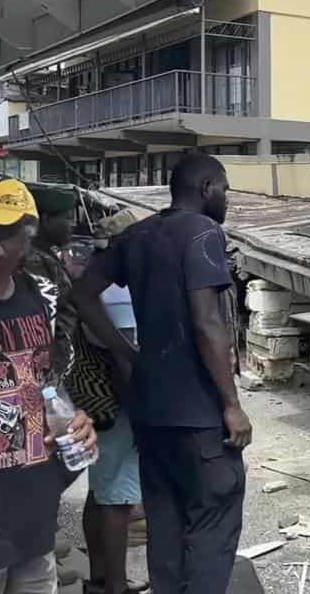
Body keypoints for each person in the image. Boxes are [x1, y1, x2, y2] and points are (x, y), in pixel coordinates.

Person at [73, 153, 251, 594]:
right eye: (225, 189)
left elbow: (81, 293)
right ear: (207, 186)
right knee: (212, 527)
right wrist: (232, 404)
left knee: (166, 522)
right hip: (199, 414)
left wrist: (126, 351)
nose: (227, 199)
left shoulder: (138, 235)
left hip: (151, 412)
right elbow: (206, 322)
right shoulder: (203, 233)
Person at [0, 174, 97, 594]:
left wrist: (71, 419)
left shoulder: (41, 296)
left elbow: (43, 383)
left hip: (30, 520)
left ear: (27, 235)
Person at [77, 210, 149, 594]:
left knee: (100, 491)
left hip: (95, 402)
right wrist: (140, 410)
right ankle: (116, 586)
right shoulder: (117, 291)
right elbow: (124, 360)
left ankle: (101, 576)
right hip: (115, 406)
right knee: (118, 499)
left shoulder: (94, 279)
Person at [22, 184, 79, 384]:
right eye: (66, 217)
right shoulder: (32, 261)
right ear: (46, 220)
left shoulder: (46, 257)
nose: (71, 225)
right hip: (44, 375)